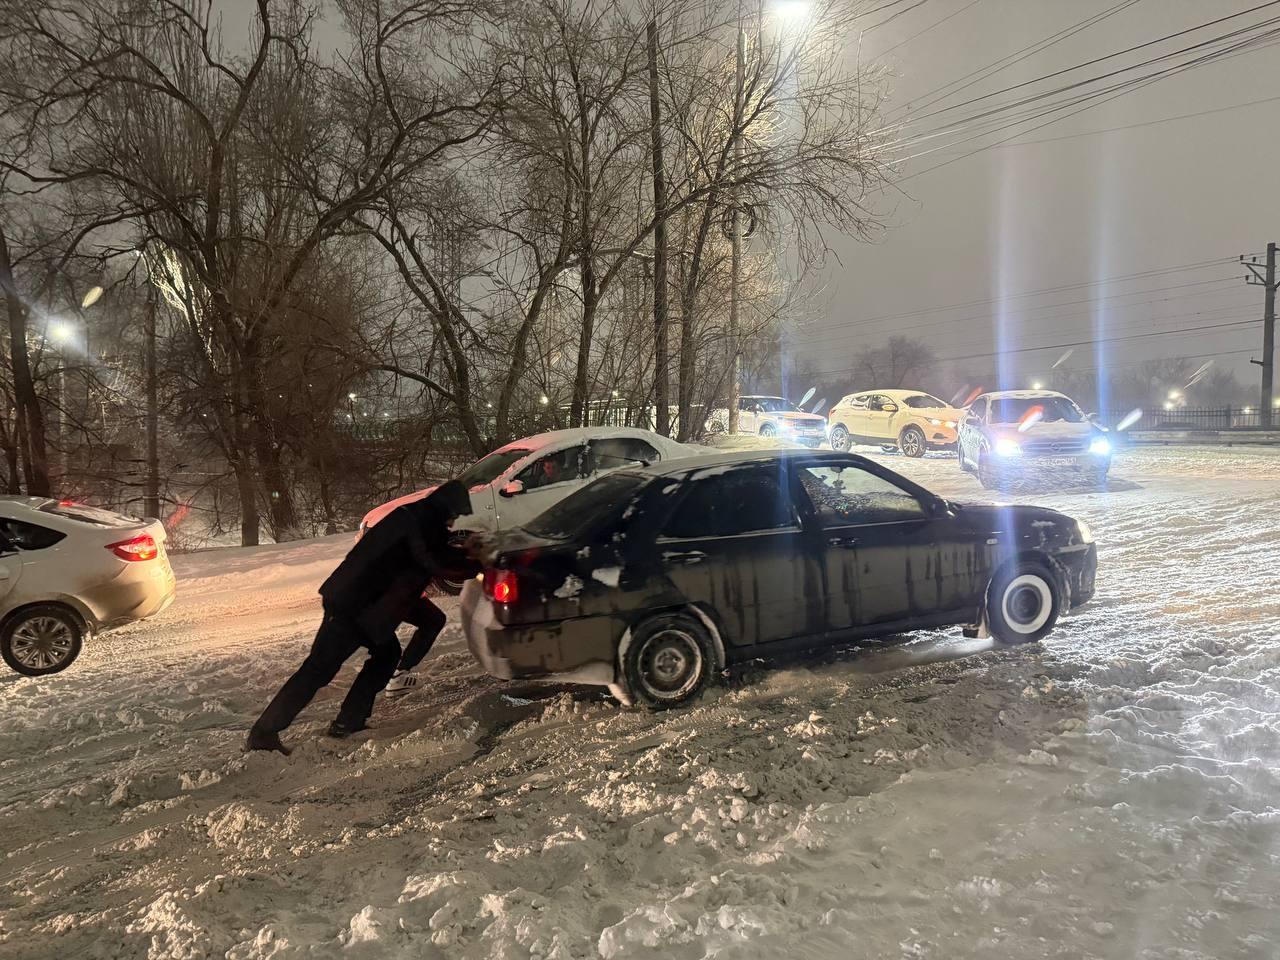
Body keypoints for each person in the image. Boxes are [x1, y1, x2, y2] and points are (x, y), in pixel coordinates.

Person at [246, 481, 472, 754]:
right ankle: (263, 734)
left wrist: (467, 554)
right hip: (352, 604)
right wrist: (478, 559)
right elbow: (435, 560)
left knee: (386, 655)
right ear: (446, 508)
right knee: (318, 670)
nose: (453, 522)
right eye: (454, 515)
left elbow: (432, 553)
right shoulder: (420, 522)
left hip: (367, 603)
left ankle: (349, 721)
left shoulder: (418, 516)